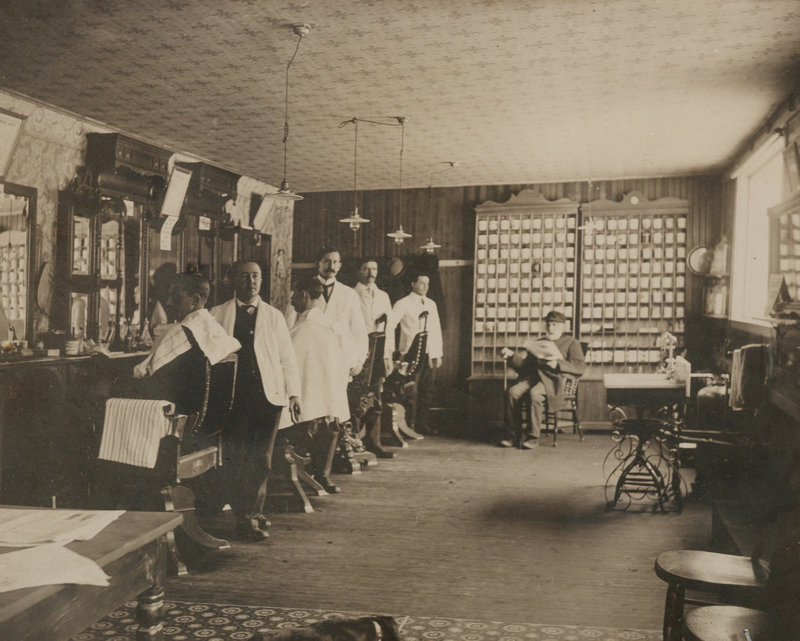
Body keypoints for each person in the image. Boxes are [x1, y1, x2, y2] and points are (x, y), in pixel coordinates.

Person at [210, 260, 301, 541]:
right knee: (234, 457)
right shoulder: (218, 314)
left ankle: (250, 513)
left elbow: (287, 358)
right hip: (232, 399)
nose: (250, 281)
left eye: (255, 276)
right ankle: (245, 515)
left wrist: (294, 394)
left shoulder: (274, 316)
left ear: (261, 280)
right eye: (244, 276)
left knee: (261, 458)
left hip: (267, 397)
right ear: (233, 280)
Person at [278, 276, 351, 493]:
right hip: (326, 393)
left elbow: (285, 360)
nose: (292, 301)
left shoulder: (307, 327)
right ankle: (322, 475)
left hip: (310, 394)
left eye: (294, 296)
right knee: (327, 421)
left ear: (304, 295)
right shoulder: (327, 323)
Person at [132, 271, 240, 415]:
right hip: (210, 414)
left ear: (195, 300)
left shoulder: (181, 331)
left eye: (175, 297)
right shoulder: (217, 330)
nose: (169, 302)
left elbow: (146, 373)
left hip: (178, 411)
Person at [500, 310, 585, 449]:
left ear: (563, 326)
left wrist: (557, 364)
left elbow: (580, 367)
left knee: (535, 394)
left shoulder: (571, 342)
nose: (550, 328)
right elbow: (525, 367)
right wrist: (512, 356)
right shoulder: (539, 343)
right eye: (548, 324)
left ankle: (532, 437)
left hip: (554, 380)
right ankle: (512, 435)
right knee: (512, 392)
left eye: (555, 325)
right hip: (534, 377)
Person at [285, 246, 368, 377]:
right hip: (309, 359)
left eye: (335, 262)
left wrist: (359, 359)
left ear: (339, 266)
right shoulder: (302, 290)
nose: (331, 266)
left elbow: (359, 330)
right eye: (327, 261)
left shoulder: (349, 294)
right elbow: (288, 326)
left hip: (338, 360)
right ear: (318, 263)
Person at [390, 271, 443, 435]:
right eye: (421, 283)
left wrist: (437, 354)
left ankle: (421, 424)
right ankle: (407, 425)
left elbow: (436, 330)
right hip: (410, 354)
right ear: (413, 284)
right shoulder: (402, 303)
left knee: (427, 390)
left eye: (427, 283)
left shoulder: (431, 304)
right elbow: (390, 325)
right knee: (410, 390)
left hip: (429, 354)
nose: (425, 287)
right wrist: (394, 351)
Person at [352, 257, 395, 458]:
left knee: (376, 396)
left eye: (374, 269)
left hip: (379, 351)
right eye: (366, 269)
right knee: (355, 396)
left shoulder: (383, 296)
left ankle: (374, 442)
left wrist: (388, 355)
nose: (371, 273)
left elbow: (390, 327)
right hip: (358, 351)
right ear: (358, 271)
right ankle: (353, 442)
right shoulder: (351, 295)